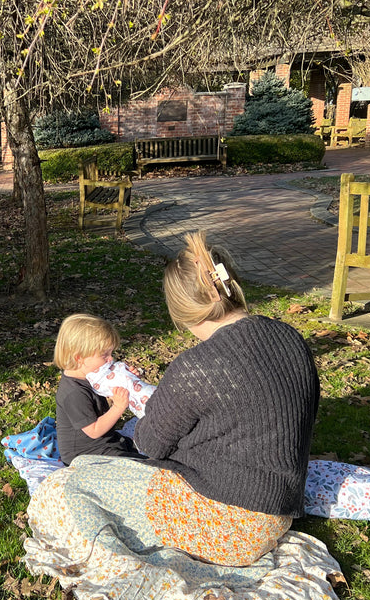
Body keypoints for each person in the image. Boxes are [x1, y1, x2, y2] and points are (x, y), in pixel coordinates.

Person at [131, 230, 320, 567]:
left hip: (229, 525)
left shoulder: (197, 368)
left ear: (180, 309)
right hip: (280, 513)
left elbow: (150, 443)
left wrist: (153, 408)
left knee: (76, 482)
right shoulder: (290, 337)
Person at [52, 313, 142, 465]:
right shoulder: (73, 393)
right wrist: (118, 407)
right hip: (86, 455)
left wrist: (128, 380)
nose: (110, 359)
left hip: (106, 442)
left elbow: (111, 388)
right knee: (147, 468)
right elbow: (93, 431)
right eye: (104, 355)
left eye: (111, 353)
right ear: (79, 357)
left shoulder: (90, 375)